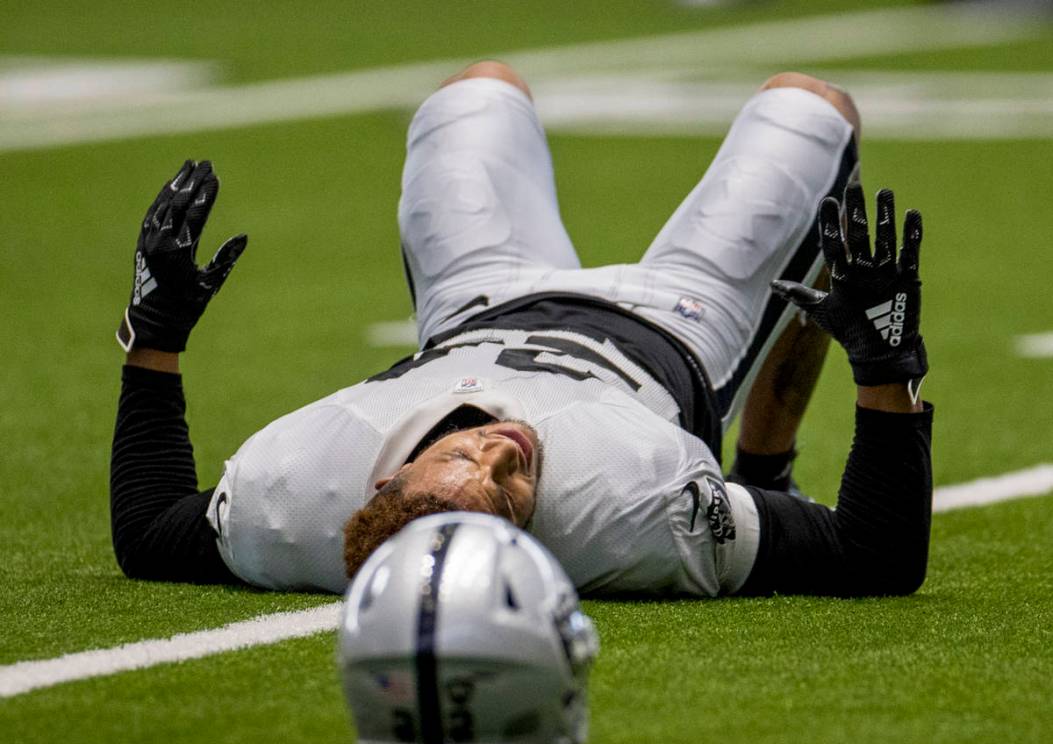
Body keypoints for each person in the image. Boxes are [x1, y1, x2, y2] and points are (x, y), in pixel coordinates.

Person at [111, 62, 933, 598]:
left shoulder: (288, 500)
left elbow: (148, 531)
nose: (504, 450)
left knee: (476, 88)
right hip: (672, 322)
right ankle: (768, 467)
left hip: (474, 302)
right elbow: (874, 557)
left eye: (465, 459)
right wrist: (880, 367)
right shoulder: (631, 512)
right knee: (811, 109)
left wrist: (156, 333)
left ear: (379, 486)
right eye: (511, 495)